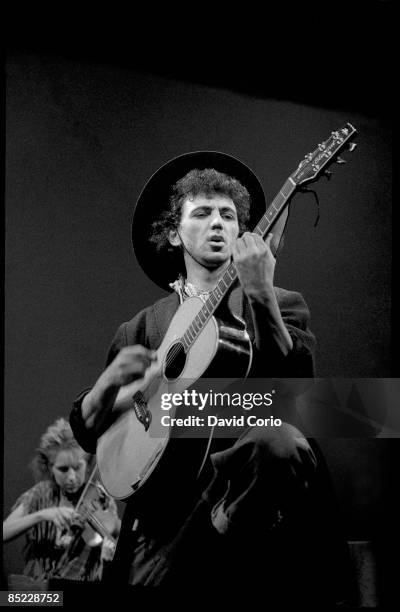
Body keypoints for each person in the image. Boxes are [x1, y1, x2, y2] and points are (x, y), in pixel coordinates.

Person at [70, 152, 353, 604]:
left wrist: (260, 294)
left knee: (283, 437)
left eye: (229, 215)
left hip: (250, 505)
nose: (219, 222)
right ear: (173, 233)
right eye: (202, 213)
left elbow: (300, 400)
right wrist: (106, 388)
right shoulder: (141, 327)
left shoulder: (284, 301)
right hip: (164, 519)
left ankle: (222, 529)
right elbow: (88, 434)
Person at [3, 417, 120, 583]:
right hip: (36, 590)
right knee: (6, 600)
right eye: (63, 469)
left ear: (87, 465)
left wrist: (106, 560)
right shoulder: (42, 493)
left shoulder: (100, 499)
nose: (72, 477)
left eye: (78, 467)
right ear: (50, 468)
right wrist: (42, 515)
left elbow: (105, 569)